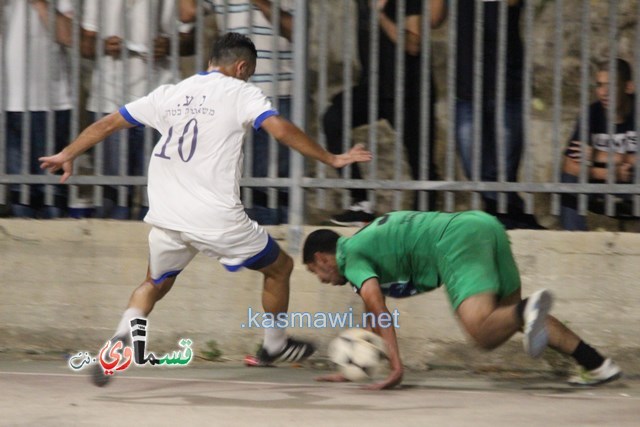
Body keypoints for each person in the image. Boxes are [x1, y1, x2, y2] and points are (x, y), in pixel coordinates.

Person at [40, 32, 372, 386]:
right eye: (249, 72)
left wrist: (68, 154)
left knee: (153, 282)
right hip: (216, 217)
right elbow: (280, 128)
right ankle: (274, 344)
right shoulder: (242, 92)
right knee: (280, 266)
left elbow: (108, 123)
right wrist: (331, 157)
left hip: (167, 214)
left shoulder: (170, 92)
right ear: (242, 67)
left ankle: (121, 338)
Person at [302, 210, 622, 390]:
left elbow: (379, 309)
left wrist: (396, 368)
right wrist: (354, 364)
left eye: (316, 271)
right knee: (511, 318)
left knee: (482, 332)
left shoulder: (351, 256)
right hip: (484, 224)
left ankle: (527, 308)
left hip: (454, 242)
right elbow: (371, 314)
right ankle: (597, 365)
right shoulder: (363, 247)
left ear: (323, 258)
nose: (322, 279)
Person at [323, 0, 444, 227]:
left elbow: (413, 44)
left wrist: (380, 14)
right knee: (334, 118)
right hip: (376, 88)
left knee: (422, 162)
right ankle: (361, 203)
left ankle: (426, 221)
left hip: (410, 90)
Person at [180, 0, 295, 225]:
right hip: (235, 92)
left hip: (279, 90)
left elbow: (294, 29)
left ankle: (276, 238)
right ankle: (251, 240)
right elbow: (187, 13)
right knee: (240, 174)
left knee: (277, 179)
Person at [434, 0, 544, 229]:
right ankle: (517, 217)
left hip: (507, 82)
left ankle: (507, 220)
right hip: (467, 84)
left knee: (505, 171)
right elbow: (434, 19)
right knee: (475, 170)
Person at [80, 0, 194, 219]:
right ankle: (111, 246)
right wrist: (103, 45)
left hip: (160, 100)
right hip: (110, 99)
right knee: (112, 192)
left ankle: (152, 249)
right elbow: (85, 41)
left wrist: (169, 45)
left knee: (158, 193)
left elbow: (191, 37)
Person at [3, 0, 74, 218]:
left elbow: (69, 36)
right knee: (18, 194)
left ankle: (59, 250)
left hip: (49, 104)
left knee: (52, 193)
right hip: (7, 103)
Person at [560, 58, 636, 231]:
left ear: (628, 87)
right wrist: (609, 173)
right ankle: (575, 243)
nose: (603, 92)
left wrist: (598, 155)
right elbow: (569, 166)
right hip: (604, 187)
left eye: (611, 85)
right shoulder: (591, 114)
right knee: (568, 181)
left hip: (635, 186)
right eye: (600, 85)